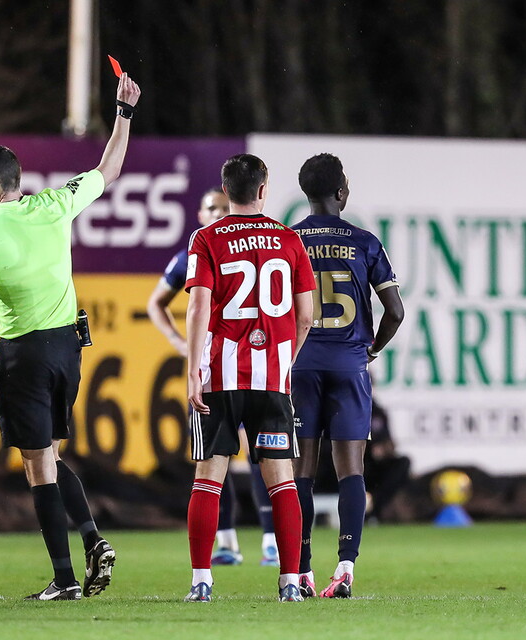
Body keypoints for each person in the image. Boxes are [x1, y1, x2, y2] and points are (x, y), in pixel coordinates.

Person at [0, 72, 141, 601]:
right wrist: (124, 113)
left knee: (37, 465)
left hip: (25, 353)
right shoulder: (56, 203)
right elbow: (110, 167)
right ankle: (92, 542)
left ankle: (64, 579)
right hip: (68, 348)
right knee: (51, 456)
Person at [183, 153, 315, 602]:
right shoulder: (288, 239)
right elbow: (306, 315)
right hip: (272, 380)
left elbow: (199, 306)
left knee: (208, 479)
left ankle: (202, 581)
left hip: (220, 376)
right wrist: (284, 359)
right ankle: (290, 584)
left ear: (226, 191)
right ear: (263, 190)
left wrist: (192, 371)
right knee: (282, 481)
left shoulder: (206, 237)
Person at [290, 153, 405, 598]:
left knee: (300, 470)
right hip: (349, 364)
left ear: (306, 194)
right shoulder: (365, 242)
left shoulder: (289, 240)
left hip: (300, 365)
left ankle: (300, 571)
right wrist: (370, 349)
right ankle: (345, 566)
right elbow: (395, 311)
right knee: (350, 469)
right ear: (342, 192)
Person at [146, 187, 279, 567]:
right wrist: (178, 341)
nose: (220, 213)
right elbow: (156, 303)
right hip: (216, 367)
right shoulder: (196, 252)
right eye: (212, 208)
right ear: (200, 214)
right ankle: (227, 541)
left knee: (259, 456)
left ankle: (270, 541)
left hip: (248, 364)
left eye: (225, 207)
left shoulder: (248, 248)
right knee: (216, 458)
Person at [364, 399, 411, 522]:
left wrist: (384, 448)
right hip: (355, 461)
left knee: (403, 463)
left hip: (376, 464)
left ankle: (376, 506)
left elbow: (389, 443)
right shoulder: (346, 408)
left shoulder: (378, 412)